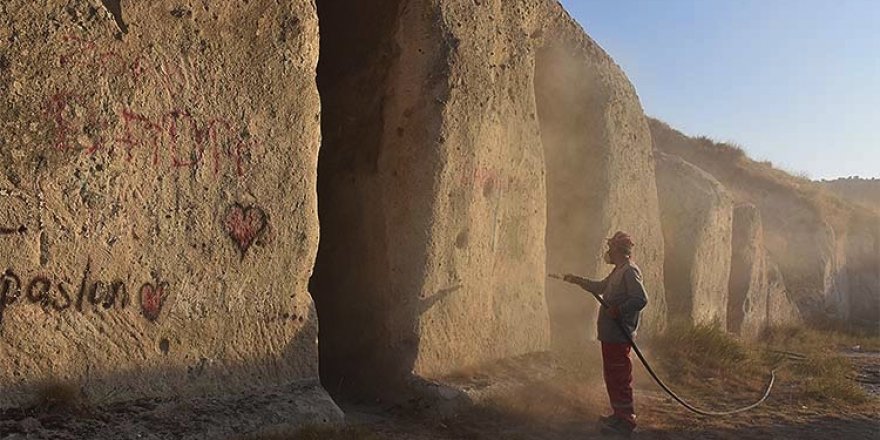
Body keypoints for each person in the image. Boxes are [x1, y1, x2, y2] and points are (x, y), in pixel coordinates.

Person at [561, 231, 648, 437]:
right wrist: (576, 280)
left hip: (620, 334)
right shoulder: (618, 271)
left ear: (619, 250)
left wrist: (619, 310)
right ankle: (618, 414)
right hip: (610, 334)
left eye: (611, 248)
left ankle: (627, 420)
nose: (608, 252)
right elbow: (600, 287)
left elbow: (641, 299)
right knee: (612, 376)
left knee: (620, 376)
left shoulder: (629, 272)